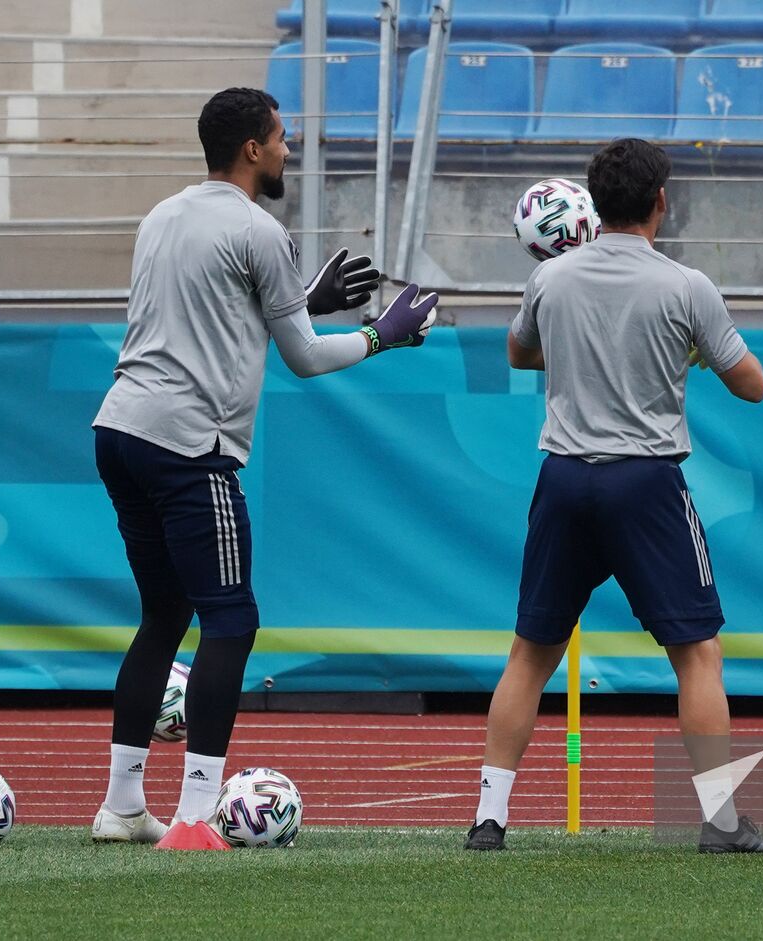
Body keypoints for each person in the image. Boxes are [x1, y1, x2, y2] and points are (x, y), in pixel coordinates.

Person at [90, 87, 438, 848]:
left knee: (163, 616)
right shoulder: (259, 230)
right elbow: (306, 356)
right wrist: (387, 334)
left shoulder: (164, 214)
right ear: (252, 148)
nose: (289, 150)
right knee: (232, 620)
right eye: (281, 138)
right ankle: (192, 816)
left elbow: (205, 314)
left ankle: (120, 806)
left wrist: (302, 295)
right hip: (188, 444)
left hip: (119, 427)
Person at [465, 138, 763, 854]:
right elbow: (752, 383)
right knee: (696, 652)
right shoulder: (684, 284)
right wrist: (689, 348)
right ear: (662, 201)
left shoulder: (552, 279)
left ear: (593, 203)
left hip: (566, 476)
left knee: (529, 653)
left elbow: (519, 352)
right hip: (645, 481)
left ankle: (489, 817)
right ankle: (721, 820)